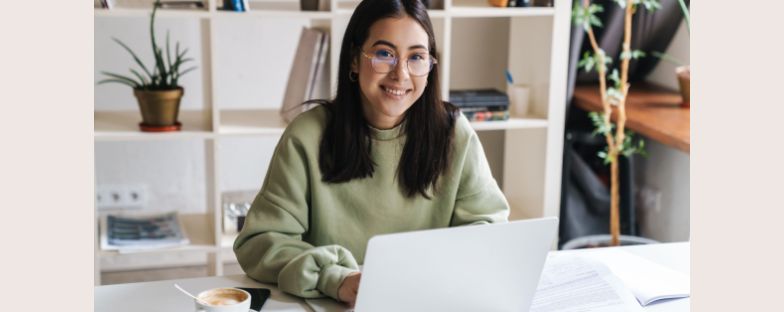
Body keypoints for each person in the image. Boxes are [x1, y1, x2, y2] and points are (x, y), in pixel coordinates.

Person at [234, 0, 510, 307]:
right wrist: (335, 278)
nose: (401, 75)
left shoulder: (455, 134)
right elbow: (259, 242)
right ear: (354, 59)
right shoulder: (307, 136)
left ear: (430, 66)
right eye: (384, 54)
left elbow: (489, 231)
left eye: (416, 57)